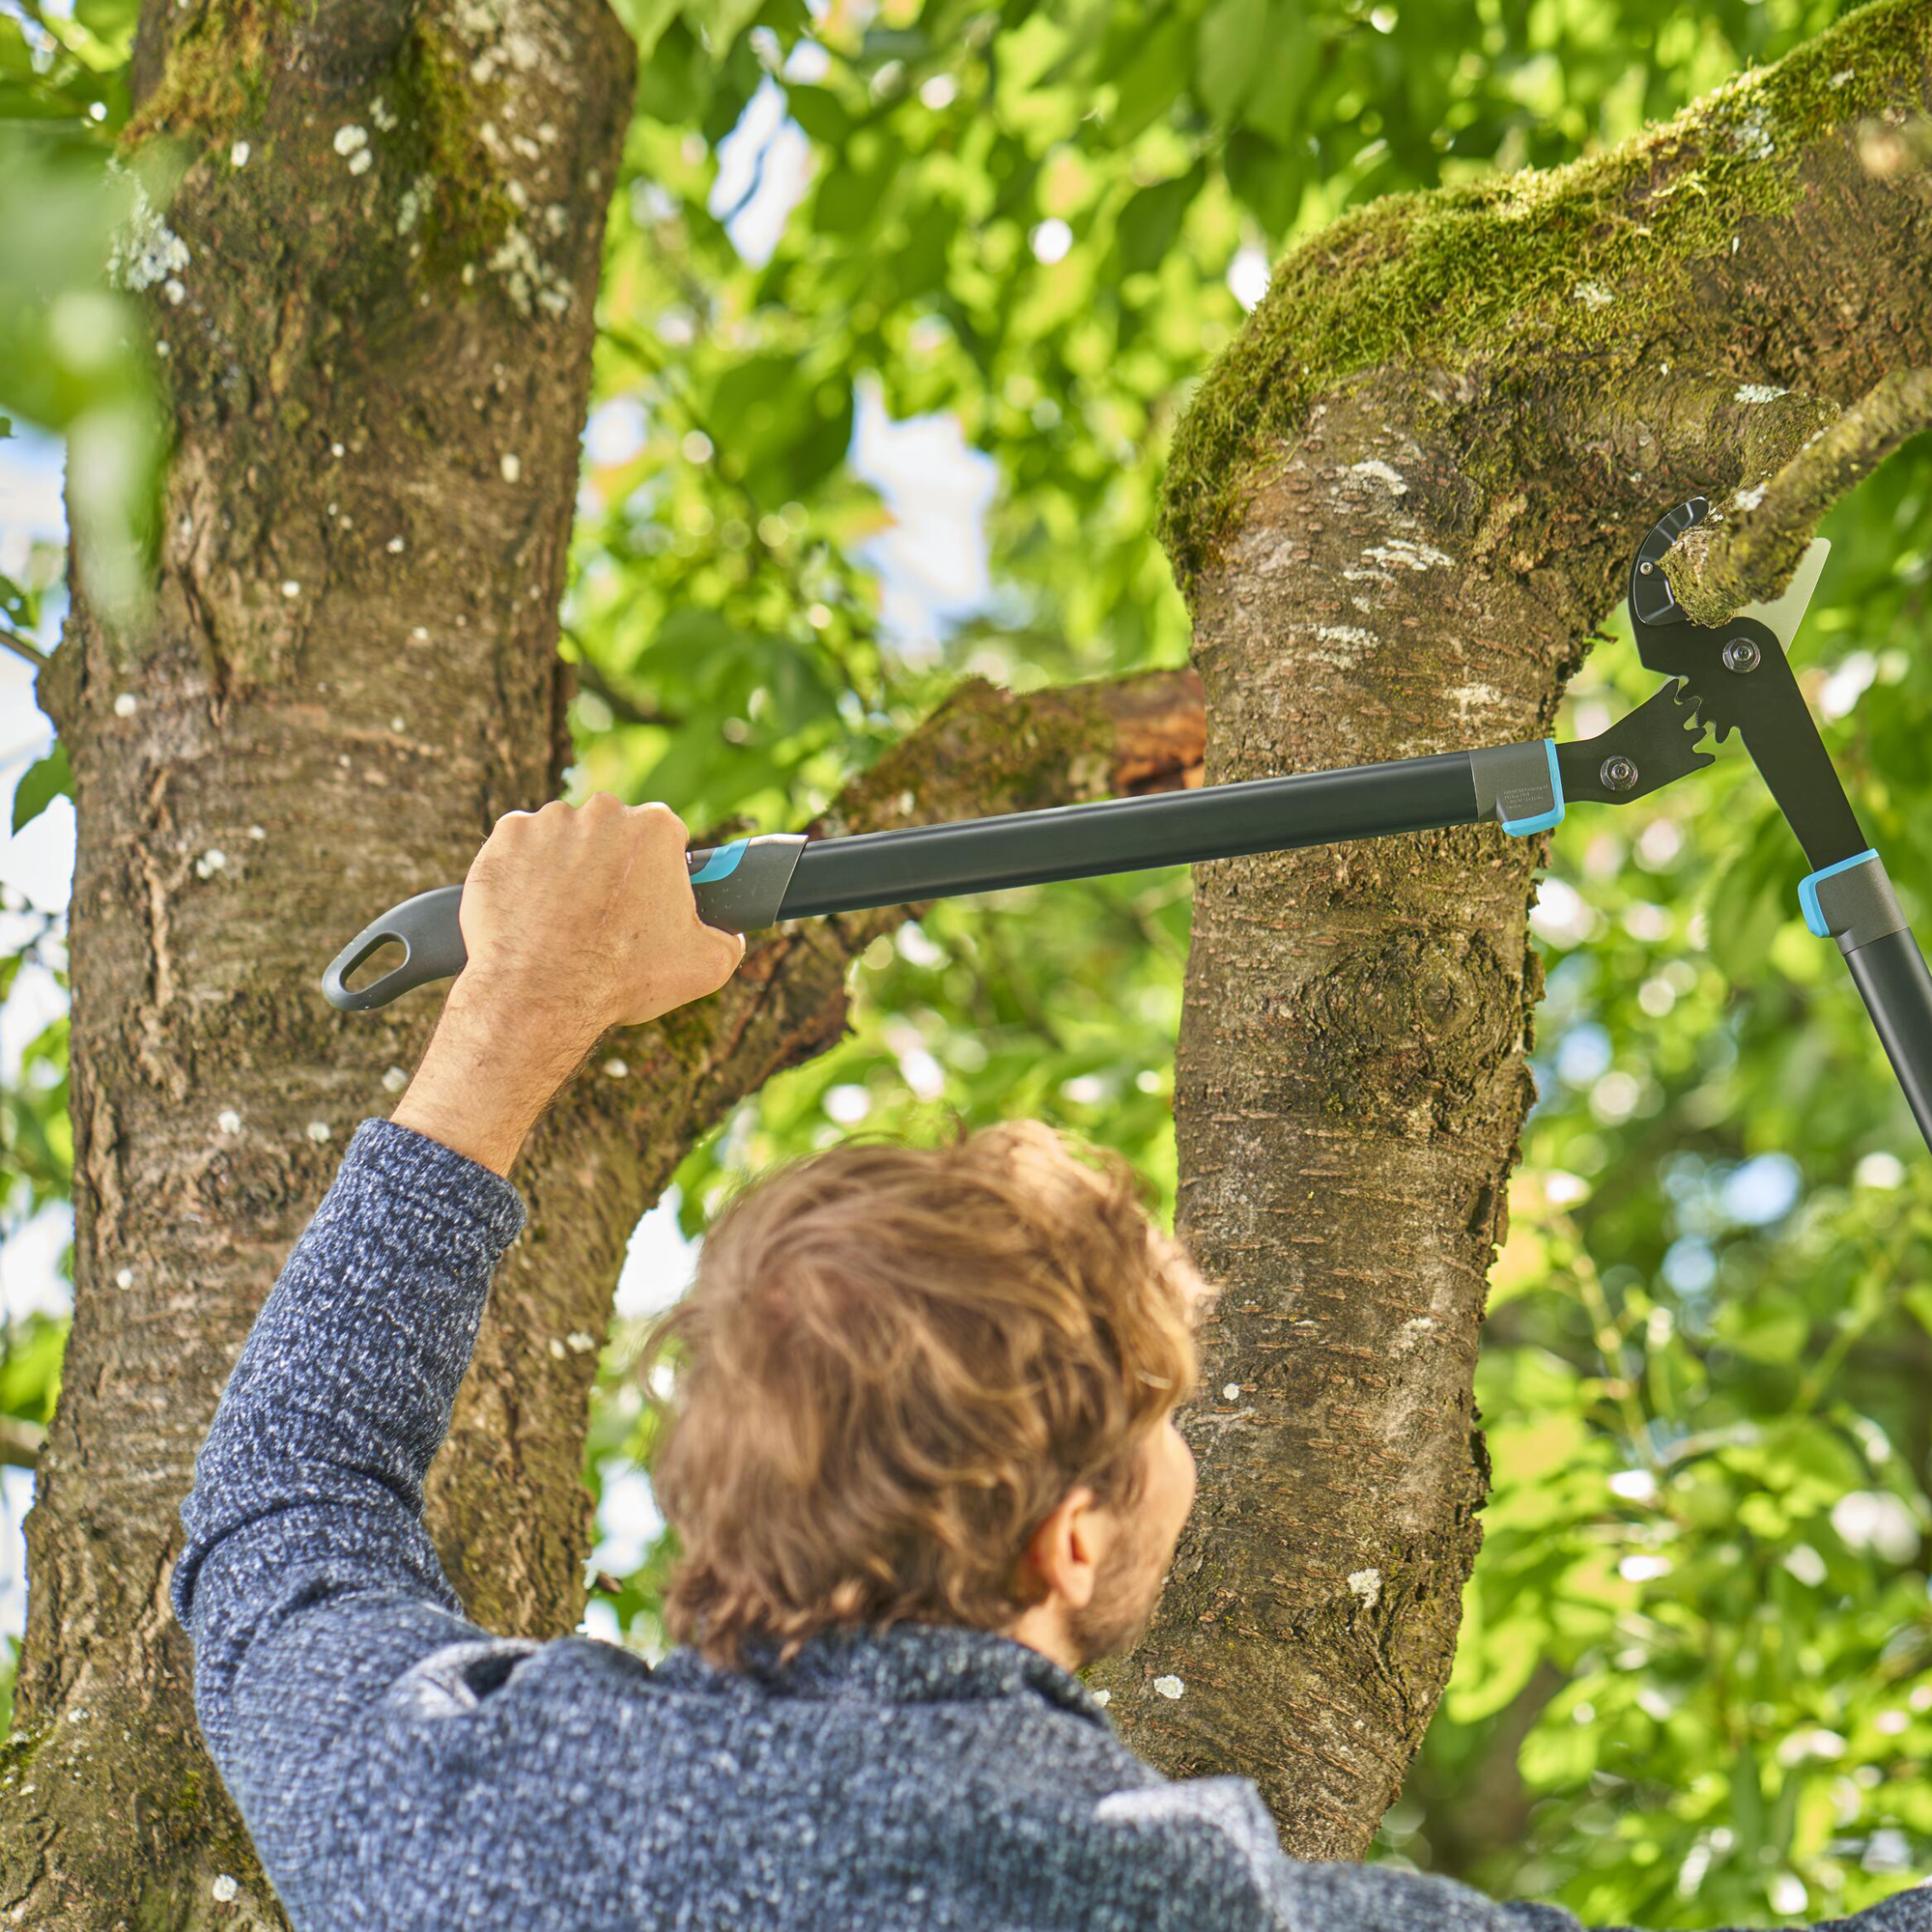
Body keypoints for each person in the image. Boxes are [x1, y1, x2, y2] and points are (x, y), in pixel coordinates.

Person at [174, 796, 1929, 1932]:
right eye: (1160, 1429)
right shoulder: (1179, 1901)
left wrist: (517, 1008)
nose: (1189, 1456)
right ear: (1066, 1541)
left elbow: (280, 1513)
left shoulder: (469, 1811)